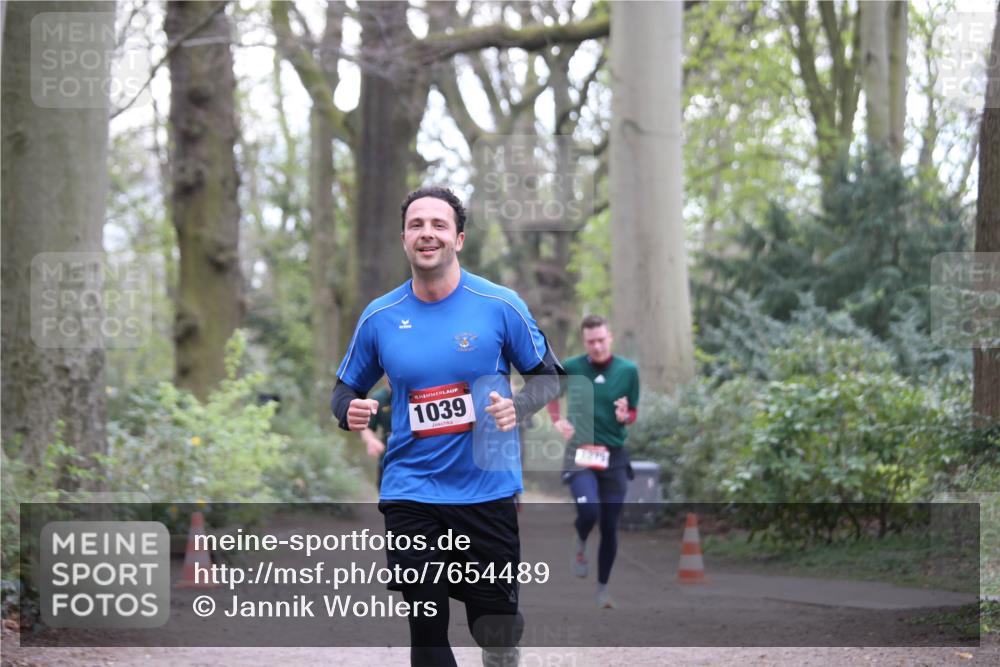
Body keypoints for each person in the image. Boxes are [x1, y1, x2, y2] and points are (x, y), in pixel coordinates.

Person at [331, 186, 561, 667]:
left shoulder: (499, 305)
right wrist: (348, 409)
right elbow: (344, 388)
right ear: (404, 238)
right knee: (427, 627)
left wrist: (517, 407)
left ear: (458, 239)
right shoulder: (380, 317)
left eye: (439, 224)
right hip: (411, 489)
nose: (427, 233)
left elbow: (549, 377)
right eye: (416, 225)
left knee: (494, 628)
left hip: (486, 488)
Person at [547, 315, 639, 609]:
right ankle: (581, 536)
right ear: (584, 342)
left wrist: (625, 415)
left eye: (601, 340)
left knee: (610, 525)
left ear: (610, 337)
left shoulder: (628, 371)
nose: (597, 346)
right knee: (589, 511)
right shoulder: (572, 367)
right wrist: (557, 420)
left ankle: (603, 589)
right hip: (580, 453)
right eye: (591, 342)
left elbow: (633, 411)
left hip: (614, 456)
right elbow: (551, 394)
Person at [359, 379, 391, 490]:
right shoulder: (378, 399)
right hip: (387, 455)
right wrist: (371, 440)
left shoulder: (415, 394)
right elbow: (366, 427)